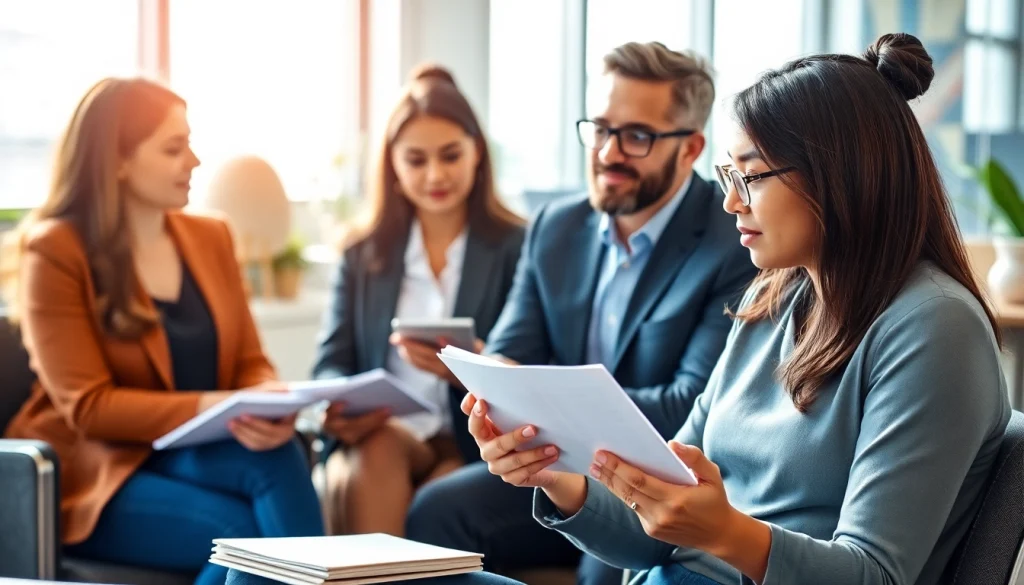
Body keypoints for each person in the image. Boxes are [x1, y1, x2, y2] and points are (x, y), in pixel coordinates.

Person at [461, 33, 1011, 585]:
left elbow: (874, 575)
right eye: (730, 176)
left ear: (839, 177)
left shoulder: (934, 327)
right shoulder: (769, 302)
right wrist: (557, 475)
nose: (731, 201)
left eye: (751, 176)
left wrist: (724, 532)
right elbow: (654, 535)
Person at [406, 42, 757, 585]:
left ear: (690, 150)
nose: (607, 152)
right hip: (552, 461)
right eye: (599, 128)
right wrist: (499, 396)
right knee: (436, 511)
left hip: (654, 486)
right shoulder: (555, 227)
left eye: (636, 136)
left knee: (608, 564)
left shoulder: (732, 241)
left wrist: (546, 406)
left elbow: (689, 403)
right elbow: (508, 357)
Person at [0, 78, 324, 585]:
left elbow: (249, 360)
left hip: (192, 453)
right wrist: (220, 405)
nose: (194, 161)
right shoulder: (55, 251)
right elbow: (89, 407)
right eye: (174, 148)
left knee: (278, 455)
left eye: (190, 143)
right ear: (118, 162)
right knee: (244, 536)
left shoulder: (212, 236)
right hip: (97, 469)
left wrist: (262, 397)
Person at [311, 64, 525, 537]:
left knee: (438, 500)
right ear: (393, 164)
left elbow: (533, 362)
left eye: (451, 155)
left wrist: (473, 365)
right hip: (389, 432)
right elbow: (330, 363)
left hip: (470, 440)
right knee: (376, 450)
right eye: (416, 160)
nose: (435, 175)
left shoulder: (518, 247)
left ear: (477, 154)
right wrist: (337, 405)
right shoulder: (363, 254)